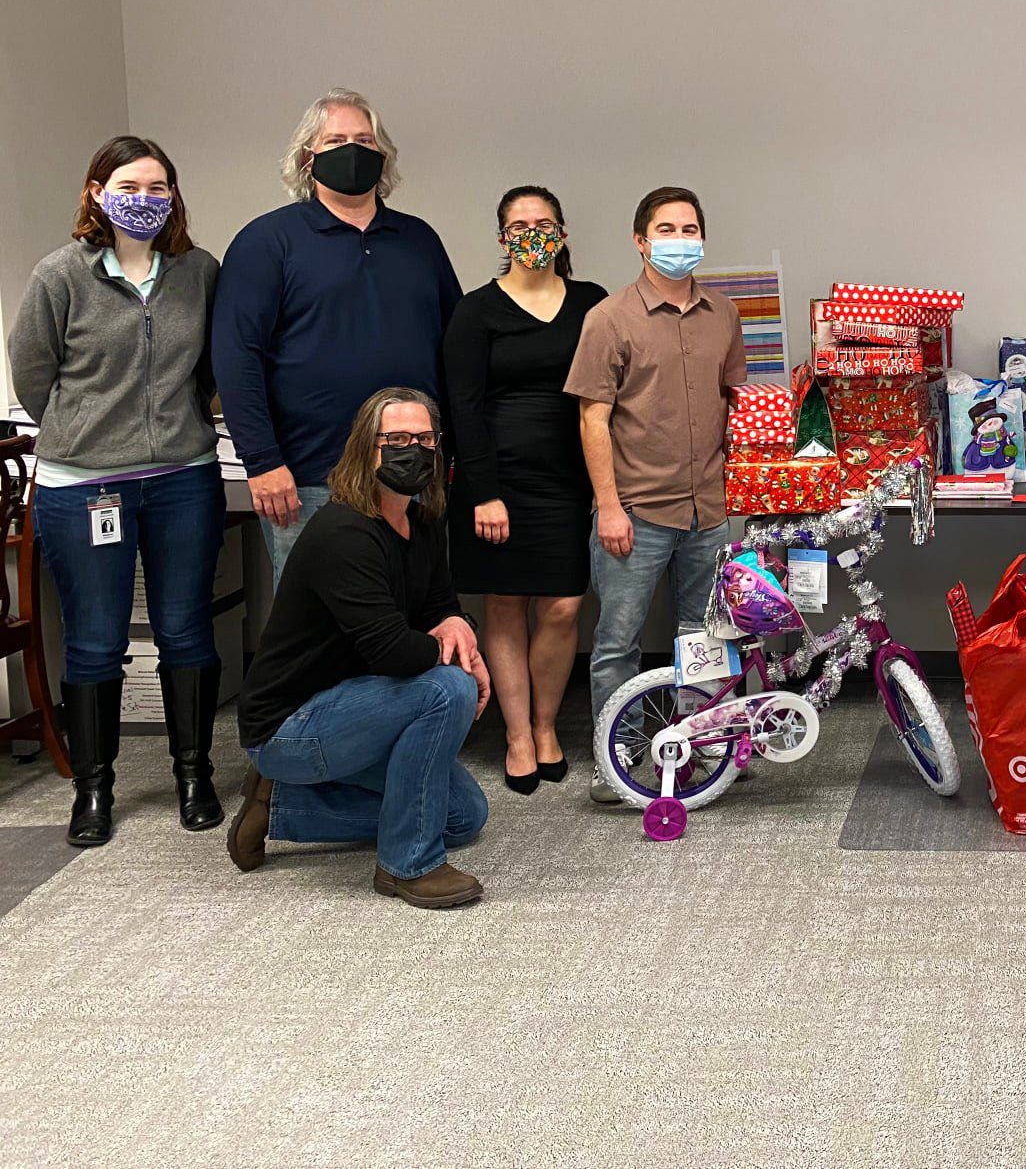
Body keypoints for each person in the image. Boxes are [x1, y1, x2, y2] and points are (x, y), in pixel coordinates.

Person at [6, 136, 226, 845]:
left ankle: (194, 775)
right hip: (84, 485)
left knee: (185, 629)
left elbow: (211, 368)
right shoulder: (59, 275)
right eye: (129, 184)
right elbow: (34, 378)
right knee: (96, 639)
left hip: (183, 478)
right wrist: (87, 432)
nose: (145, 198)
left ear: (174, 197)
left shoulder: (198, 272)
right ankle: (93, 791)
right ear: (96, 191)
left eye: (159, 186)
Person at [225, 388, 493, 909]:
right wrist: (461, 658)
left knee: (465, 816)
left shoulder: (422, 518)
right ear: (365, 448)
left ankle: (277, 804)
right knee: (447, 688)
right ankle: (407, 865)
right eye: (395, 439)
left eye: (424, 439)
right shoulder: (342, 532)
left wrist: (461, 627)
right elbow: (392, 653)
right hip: (291, 725)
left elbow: (441, 601)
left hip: (361, 708)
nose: (411, 450)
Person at [210, 88, 463, 584]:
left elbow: (454, 349)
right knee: (316, 628)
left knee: (406, 615)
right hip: (306, 476)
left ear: (382, 154)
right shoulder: (267, 242)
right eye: (336, 140)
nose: (353, 149)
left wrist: (448, 457)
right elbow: (237, 357)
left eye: (365, 139)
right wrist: (262, 462)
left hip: (410, 471)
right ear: (308, 157)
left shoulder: (418, 240)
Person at [565, 187, 745, 803]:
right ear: (641, 241)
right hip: (636, 511)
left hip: (710, 511)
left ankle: (703, 748)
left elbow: (736, 405)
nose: (678, 239)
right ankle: (616, 759)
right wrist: (608, 507)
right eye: (664, 229)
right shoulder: (609, 319)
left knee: (706, 636)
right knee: (618, 643)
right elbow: (592, 419)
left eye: (689, 228)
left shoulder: (724, 314)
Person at [443, 187, 607, 795]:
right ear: (502, 237)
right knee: (506, 605)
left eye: (543, 223)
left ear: (562, 232)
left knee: (563, 605)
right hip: (496, 481)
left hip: (567, 481)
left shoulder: (592, 304)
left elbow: (607, 395)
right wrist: (483, 490)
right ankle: (517, 734)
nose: (531, 233)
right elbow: (462, 405)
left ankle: (546, 724)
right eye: (519, 225)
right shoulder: (474, 311)